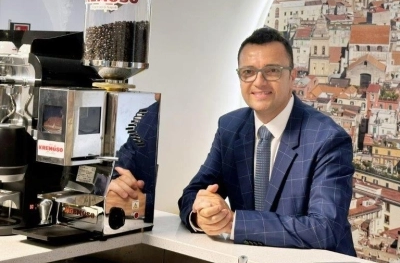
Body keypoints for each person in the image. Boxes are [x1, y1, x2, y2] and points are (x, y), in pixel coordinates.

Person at [178, 27, 355, 256]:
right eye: (248, 72)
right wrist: (202, 215)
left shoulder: (327, 139)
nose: (258, 82)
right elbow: (192, 193)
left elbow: (325, 228)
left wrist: (234, 223)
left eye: (272, 70)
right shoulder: (230, 128)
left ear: (292, 77)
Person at [106, 97, 160, 223]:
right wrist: (116, 185)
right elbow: (122, 162)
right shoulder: (151, 113)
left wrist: (145, 203)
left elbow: (192, 196)